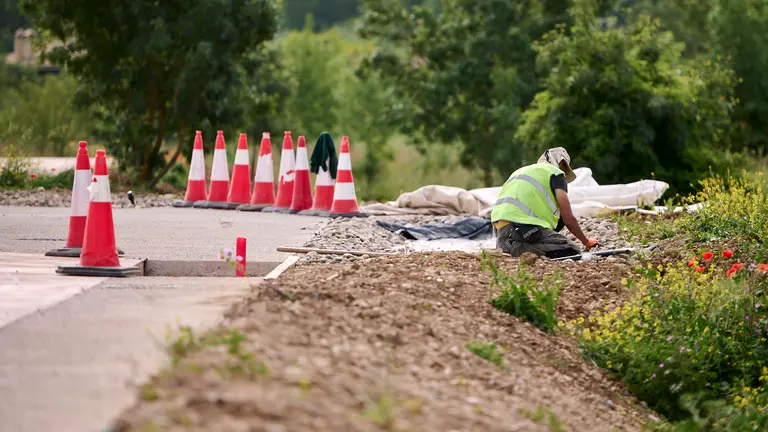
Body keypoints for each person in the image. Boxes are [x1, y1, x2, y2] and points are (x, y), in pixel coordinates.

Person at [491, 147, 599, 258]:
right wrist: (586, 241)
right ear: (561, 163)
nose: (565, 174)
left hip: (501, 230)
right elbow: (568, 218)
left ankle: (507, 247)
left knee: (548, 233)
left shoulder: (520, 172)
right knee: (571, 250)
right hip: (523, 228)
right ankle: (517, 249)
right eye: (565, 169)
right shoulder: (555, 173)